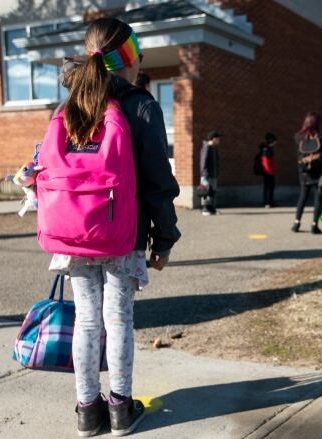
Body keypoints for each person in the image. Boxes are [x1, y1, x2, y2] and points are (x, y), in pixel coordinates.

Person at [53, 18, 180, 437]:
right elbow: (159, 182)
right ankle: (121, 408)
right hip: (121, 234)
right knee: (118, 319)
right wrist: (164, 238)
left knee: (87, 320)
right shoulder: (142, 106)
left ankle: (87, 412)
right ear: (130, 59)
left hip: (73, 234)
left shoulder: (67, 107)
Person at [293, 112, 322, 234]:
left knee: (302, 197)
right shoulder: (321, 138)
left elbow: (299, 156)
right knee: (318, 198)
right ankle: (314, 225)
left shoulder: (298, 137)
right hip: (318, 172)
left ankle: (296, 223)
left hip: (304, 172)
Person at [199, 131, 221, 215]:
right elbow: (203, 162)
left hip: (213, 175)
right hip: (207, 175)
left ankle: (211, 209)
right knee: (206, 192)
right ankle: (205, 209)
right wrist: (204, 175)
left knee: (212, 192)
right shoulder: (206, 148)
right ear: (214, 138)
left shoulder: (213, 148)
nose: (219, 140)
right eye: (218, 138)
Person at [259, 132, 277, 207]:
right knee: (268, 187)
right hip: (268, 172)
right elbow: (265, 162)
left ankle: (270, 201)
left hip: (271, 171)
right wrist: (270, 171)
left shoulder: (269, 149)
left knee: (271, 187)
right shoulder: (266, 150)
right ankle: (267, 202)